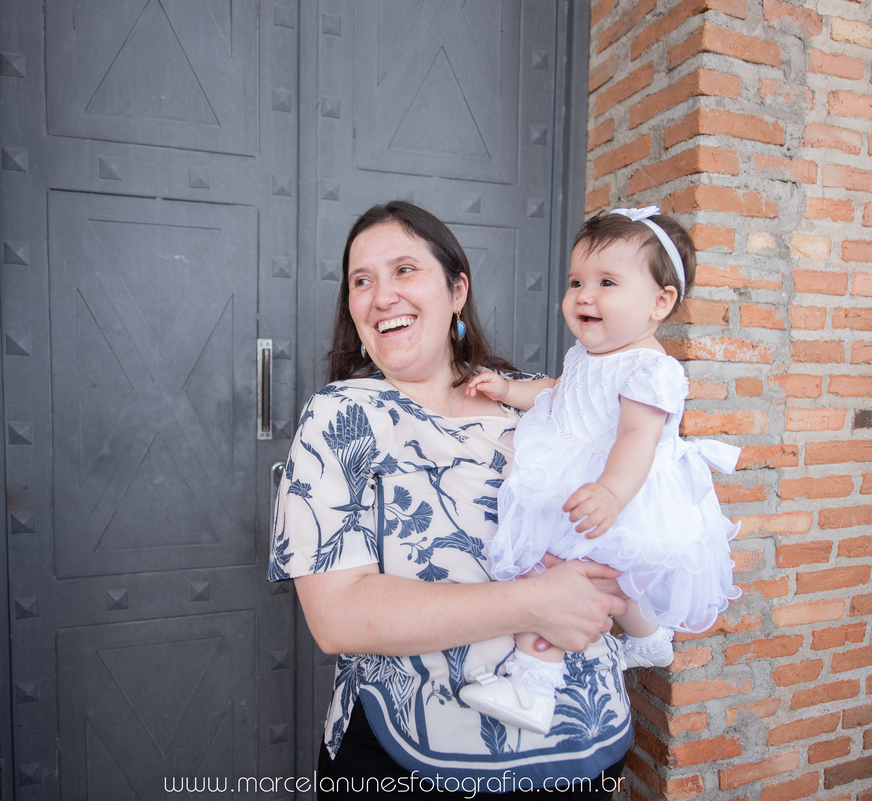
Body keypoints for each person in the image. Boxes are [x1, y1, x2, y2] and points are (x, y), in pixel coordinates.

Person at [268, 201, 632, 798]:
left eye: (405, 270)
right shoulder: (341, 417)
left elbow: (622, 531)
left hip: (582, 746)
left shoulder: (538, 406)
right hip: (410, 757)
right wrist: (534, 603)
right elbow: (338, 617)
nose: (382, 295)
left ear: (456, 288)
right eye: (362, 281)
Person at [457, 206, 742, 734]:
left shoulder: (650, 367)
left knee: (550, 570)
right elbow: (561, 398)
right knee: (611, 579)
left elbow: (637, 437)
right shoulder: (589, 357)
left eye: (607, 282)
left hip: (622, 490)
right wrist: (508, 391)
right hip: (587, 481)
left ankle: (533, 687)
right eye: (576, 281)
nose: (584, 295)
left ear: (660, 302)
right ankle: (650, 639)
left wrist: (610, 493)